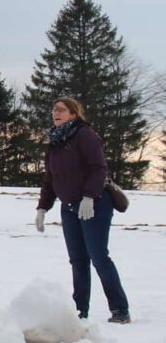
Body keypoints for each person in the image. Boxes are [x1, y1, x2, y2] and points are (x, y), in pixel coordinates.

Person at [35, 98, 130, 323]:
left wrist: (89, 196)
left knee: (98, 257)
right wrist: (42, 207)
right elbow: (50, 179)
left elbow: (99, 168)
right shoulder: (55, 143)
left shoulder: (85, 135)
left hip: (95, 204)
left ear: (74, 114)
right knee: (77, 260)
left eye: (61, 110)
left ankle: (120, 310)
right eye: (54, 109)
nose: (55, 113)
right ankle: (79, 311)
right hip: (68, 208)